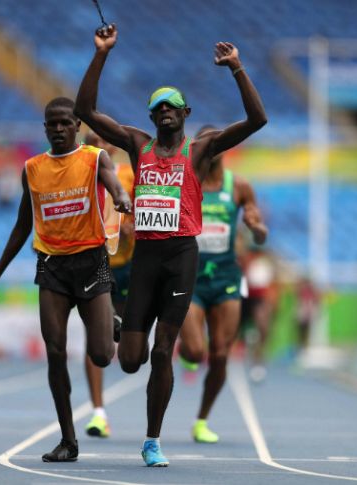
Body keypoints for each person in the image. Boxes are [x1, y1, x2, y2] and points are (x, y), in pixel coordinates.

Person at [74, 23, 266, 467]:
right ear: (150, 117)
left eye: (172, 107)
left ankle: (152, 440)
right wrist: (102, 53)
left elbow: (258, 120)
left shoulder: (201, 151)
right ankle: (123, 329)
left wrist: (237, 68)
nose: (164, 113)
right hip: (146, 259)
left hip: (182, 257)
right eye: (157, 108)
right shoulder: (137, 146)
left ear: (185, 113)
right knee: (129, 361)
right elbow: (85, 109)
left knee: (164, 352)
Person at [0, 97, 131, 463]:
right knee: (56, 352)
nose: (59, 129)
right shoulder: (31, 169)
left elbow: (113, 185)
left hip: (92, 262)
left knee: (101, 355)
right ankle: (68, 439)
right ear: (45, 128)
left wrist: (123, 197)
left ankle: (112, 321)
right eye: (52, 124)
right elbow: (21, 226)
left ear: (77, 126)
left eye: (65, 123)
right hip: (52, 267)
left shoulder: (95, 159)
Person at [177, 124, 268, 443]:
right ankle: (185, 347)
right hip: (192, 276)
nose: (211, 148)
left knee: (219, 354)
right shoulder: (187, 183)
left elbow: (257, 224)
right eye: (205, 143)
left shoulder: (239, 186)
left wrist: (256, 230)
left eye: (217, 143)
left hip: (227, 277)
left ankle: (201, 420)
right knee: (195, 350)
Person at [82, 130, 136, 439]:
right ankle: (98, 412)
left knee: (130, 350)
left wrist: (132, 225)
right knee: (95, 340)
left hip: (128, 265)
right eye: (92, 143)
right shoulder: (80, 175)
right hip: (94, 266)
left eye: (103, 142)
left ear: (112, 146)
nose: (98, 147)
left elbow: (143, 210)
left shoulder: (129, 173)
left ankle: (119, 325)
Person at [237, 238, 283, 382]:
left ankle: (258, 360)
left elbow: (275, 283)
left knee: (263, 328)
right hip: (243, 297)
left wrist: (274, 303)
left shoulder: (267, 261)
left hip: (260, 298)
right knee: (232, 328)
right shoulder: (244, 258)